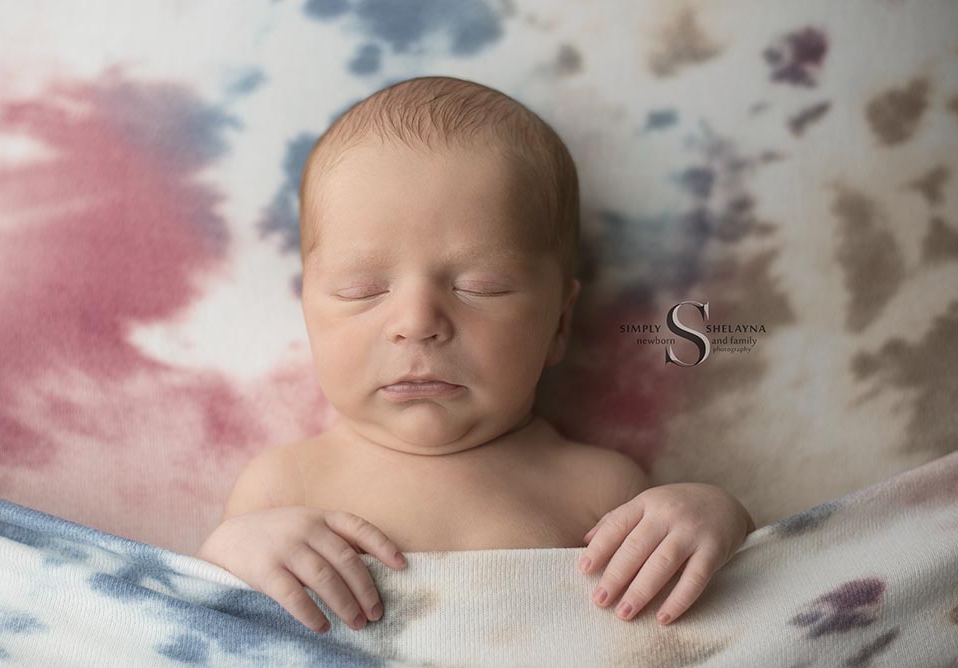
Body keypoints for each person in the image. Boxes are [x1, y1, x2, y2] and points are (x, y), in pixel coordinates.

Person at [196, 75, 755, 635]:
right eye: (360, 290)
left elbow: (701, 617)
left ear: (559, 322)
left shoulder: (597, 487)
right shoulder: (280, 487)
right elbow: (203, 618)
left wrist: (714, 516)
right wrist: (231, 550)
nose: (416, 323)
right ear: (309, 315)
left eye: (480, 287)